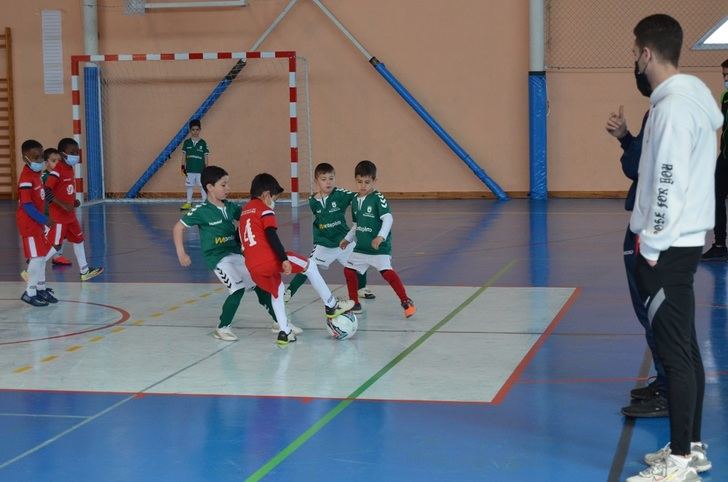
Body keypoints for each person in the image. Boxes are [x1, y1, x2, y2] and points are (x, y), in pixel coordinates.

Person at [626, 14, 722, 482]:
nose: (635, 62)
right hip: (684, 243)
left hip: (667, 250)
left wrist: (651, 247)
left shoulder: (670, 110)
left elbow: (667, 184)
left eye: (634, 53)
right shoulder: (695, 98)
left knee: (674, 353)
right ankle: (692, 448)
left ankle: (681, 463)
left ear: (646, 52)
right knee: (684, 347)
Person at [173, 166, 287, 341]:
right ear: (210, 187)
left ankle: (279, 321)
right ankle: (222, 327)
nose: (228, 188)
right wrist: (181, 253)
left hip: (235, 254)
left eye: (228, 184)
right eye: (223, 184)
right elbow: (178, 227)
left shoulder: (231, 207)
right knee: (237, 288)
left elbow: (249, 218)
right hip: (218, 259)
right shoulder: (202, 211)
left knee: (260, 283)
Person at [239, 173, 354, 345]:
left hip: (252, 267)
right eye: (274, 198)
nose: (274, 203)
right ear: (266, 195)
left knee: (277, 291)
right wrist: (283, 259)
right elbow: (271, 234)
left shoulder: (245, 211)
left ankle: (285, 332)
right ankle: (331, 305)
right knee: (310, 265)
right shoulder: (265, 209)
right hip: (269, 259)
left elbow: (239, 238)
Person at [606, 100, 668, 418]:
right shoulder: (660, 110)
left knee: (655, 313)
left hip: (650, 228)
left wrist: (628, 143)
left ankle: (670, 391)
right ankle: (666, 382)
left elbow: (638, 168)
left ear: (647, 57)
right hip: (648, 224)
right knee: (652, 313)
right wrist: (627, 138)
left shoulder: (664, 112)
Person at [285, 162, 374, 308]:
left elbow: (357, 197)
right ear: (316, 181)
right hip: (324, 243)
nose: (328, 182)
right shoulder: (312, 201)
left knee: (361, 259)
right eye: (324, 179)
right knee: (308, 267)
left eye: (331, 178)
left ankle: (361, 288)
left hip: (343, 242)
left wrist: (369, 194)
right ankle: (288, 292)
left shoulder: (341, 194)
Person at [343, 160, 415, 317]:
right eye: (359, 182)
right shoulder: (355, 200)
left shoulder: (378, 198)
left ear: (374, 181)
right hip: (361, 247)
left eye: (367, 182)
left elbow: (388, 218)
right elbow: (356, 224)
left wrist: (380, 237)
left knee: (387, 273)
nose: (363, 186)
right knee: (349, 270)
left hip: (378, 247)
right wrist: (348, 238)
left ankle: (405, 300)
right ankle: (354, 303)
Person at [45, 138, 103, 281]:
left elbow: (65, 191)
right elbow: (46, 191)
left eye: (77, 152)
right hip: (59, 217)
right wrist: (63, 205)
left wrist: (73, 202)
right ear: (62, 154)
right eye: (72, 152)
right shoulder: (56, 171)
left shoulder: (69, 169)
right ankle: (33, 267)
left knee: (78, 240)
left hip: (70, 216)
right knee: (56, 245)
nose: (76, 155)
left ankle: (84, 271)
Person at [16, 140, 58, 306]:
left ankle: (41, 289)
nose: (40, 160)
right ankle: (30, 292)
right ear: (25, 158)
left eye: (41, 156)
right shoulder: (26, 178)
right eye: (36, 157)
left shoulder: (36, 175)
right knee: (37, 257)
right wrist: (44, 219)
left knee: (41, 257)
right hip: (29, 223)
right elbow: (27, 206)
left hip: (37, 223)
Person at [701, 58, 728, 260]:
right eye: (723, 75)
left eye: (727, 75)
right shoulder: (725, 96)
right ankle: (719, 244)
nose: (725, 79)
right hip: (725, 156)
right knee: (716, 197)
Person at [42, 148, 72, 266]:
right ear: (46, 163)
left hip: (57, 212)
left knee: (61, 235)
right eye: (53, 160)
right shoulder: (46, 177)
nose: (57, 163)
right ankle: (36, 260)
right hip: (47, 214)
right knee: (51, 239)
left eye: (59, 160)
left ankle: (57, 256)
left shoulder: (60, 174)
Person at [180, 119, 209, 210]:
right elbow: (184, 155)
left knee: (202, 186)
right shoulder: (187, 142)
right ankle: (189, 202)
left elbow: (206, 156)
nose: (195, 131)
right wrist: (182, 166)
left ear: (200, 130)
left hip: (200, 170)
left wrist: (206, 168)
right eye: (193, 129)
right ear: (190, 130)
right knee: (189, 186)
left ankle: (205, 202)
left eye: (197, 129)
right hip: (190, 169)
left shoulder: (203, 143)